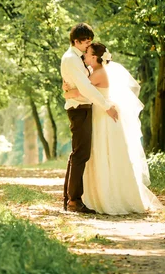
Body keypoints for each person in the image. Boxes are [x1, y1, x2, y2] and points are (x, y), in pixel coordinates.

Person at [64, 42, 163, 215]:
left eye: (87, 54)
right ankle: (93, 195)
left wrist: (67, 92)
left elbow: (82, 91)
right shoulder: (95, 72)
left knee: (103, 153)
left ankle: (108, 196)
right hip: (100, 115)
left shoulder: (98, 73)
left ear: (94, 57)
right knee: (100, 154)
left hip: (102, 117)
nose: (84, 56)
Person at [61, 23, 119, 214]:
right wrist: (106, 106)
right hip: (79, 109)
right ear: (76, 41)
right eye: (86, 41)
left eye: (90, 41)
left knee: (79, 153)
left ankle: (69, 198)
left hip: (84, 107)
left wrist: (69, 92)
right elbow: (86, 88)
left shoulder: (78, 59)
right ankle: (74, 200)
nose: (88, 45)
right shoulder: (71, 59)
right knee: (80, 154)